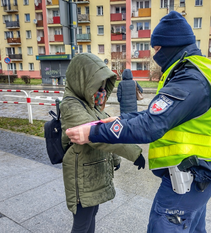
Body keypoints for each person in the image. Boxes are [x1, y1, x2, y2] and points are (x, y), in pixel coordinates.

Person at [65, 11, 211, 233]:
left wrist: (91, 133)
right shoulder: (197, 70)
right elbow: (153, 116)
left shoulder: (189, 78)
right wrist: (121, 118)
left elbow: (151, 125)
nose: (155, 55)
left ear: (172, 45)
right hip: (199, 173)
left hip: (187, 179)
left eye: (157, 49)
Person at [60, 53, 145, 233]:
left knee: (92, 215)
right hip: (82, 176)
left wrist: (115, 159)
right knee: (82, 223)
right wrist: (134, 153)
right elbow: (99, 136)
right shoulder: (71, 106)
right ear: (83, 81)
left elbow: (108, 127)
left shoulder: (91, 104)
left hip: (93, 171)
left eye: (102, 85)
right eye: (97, 85)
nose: (101, 91)